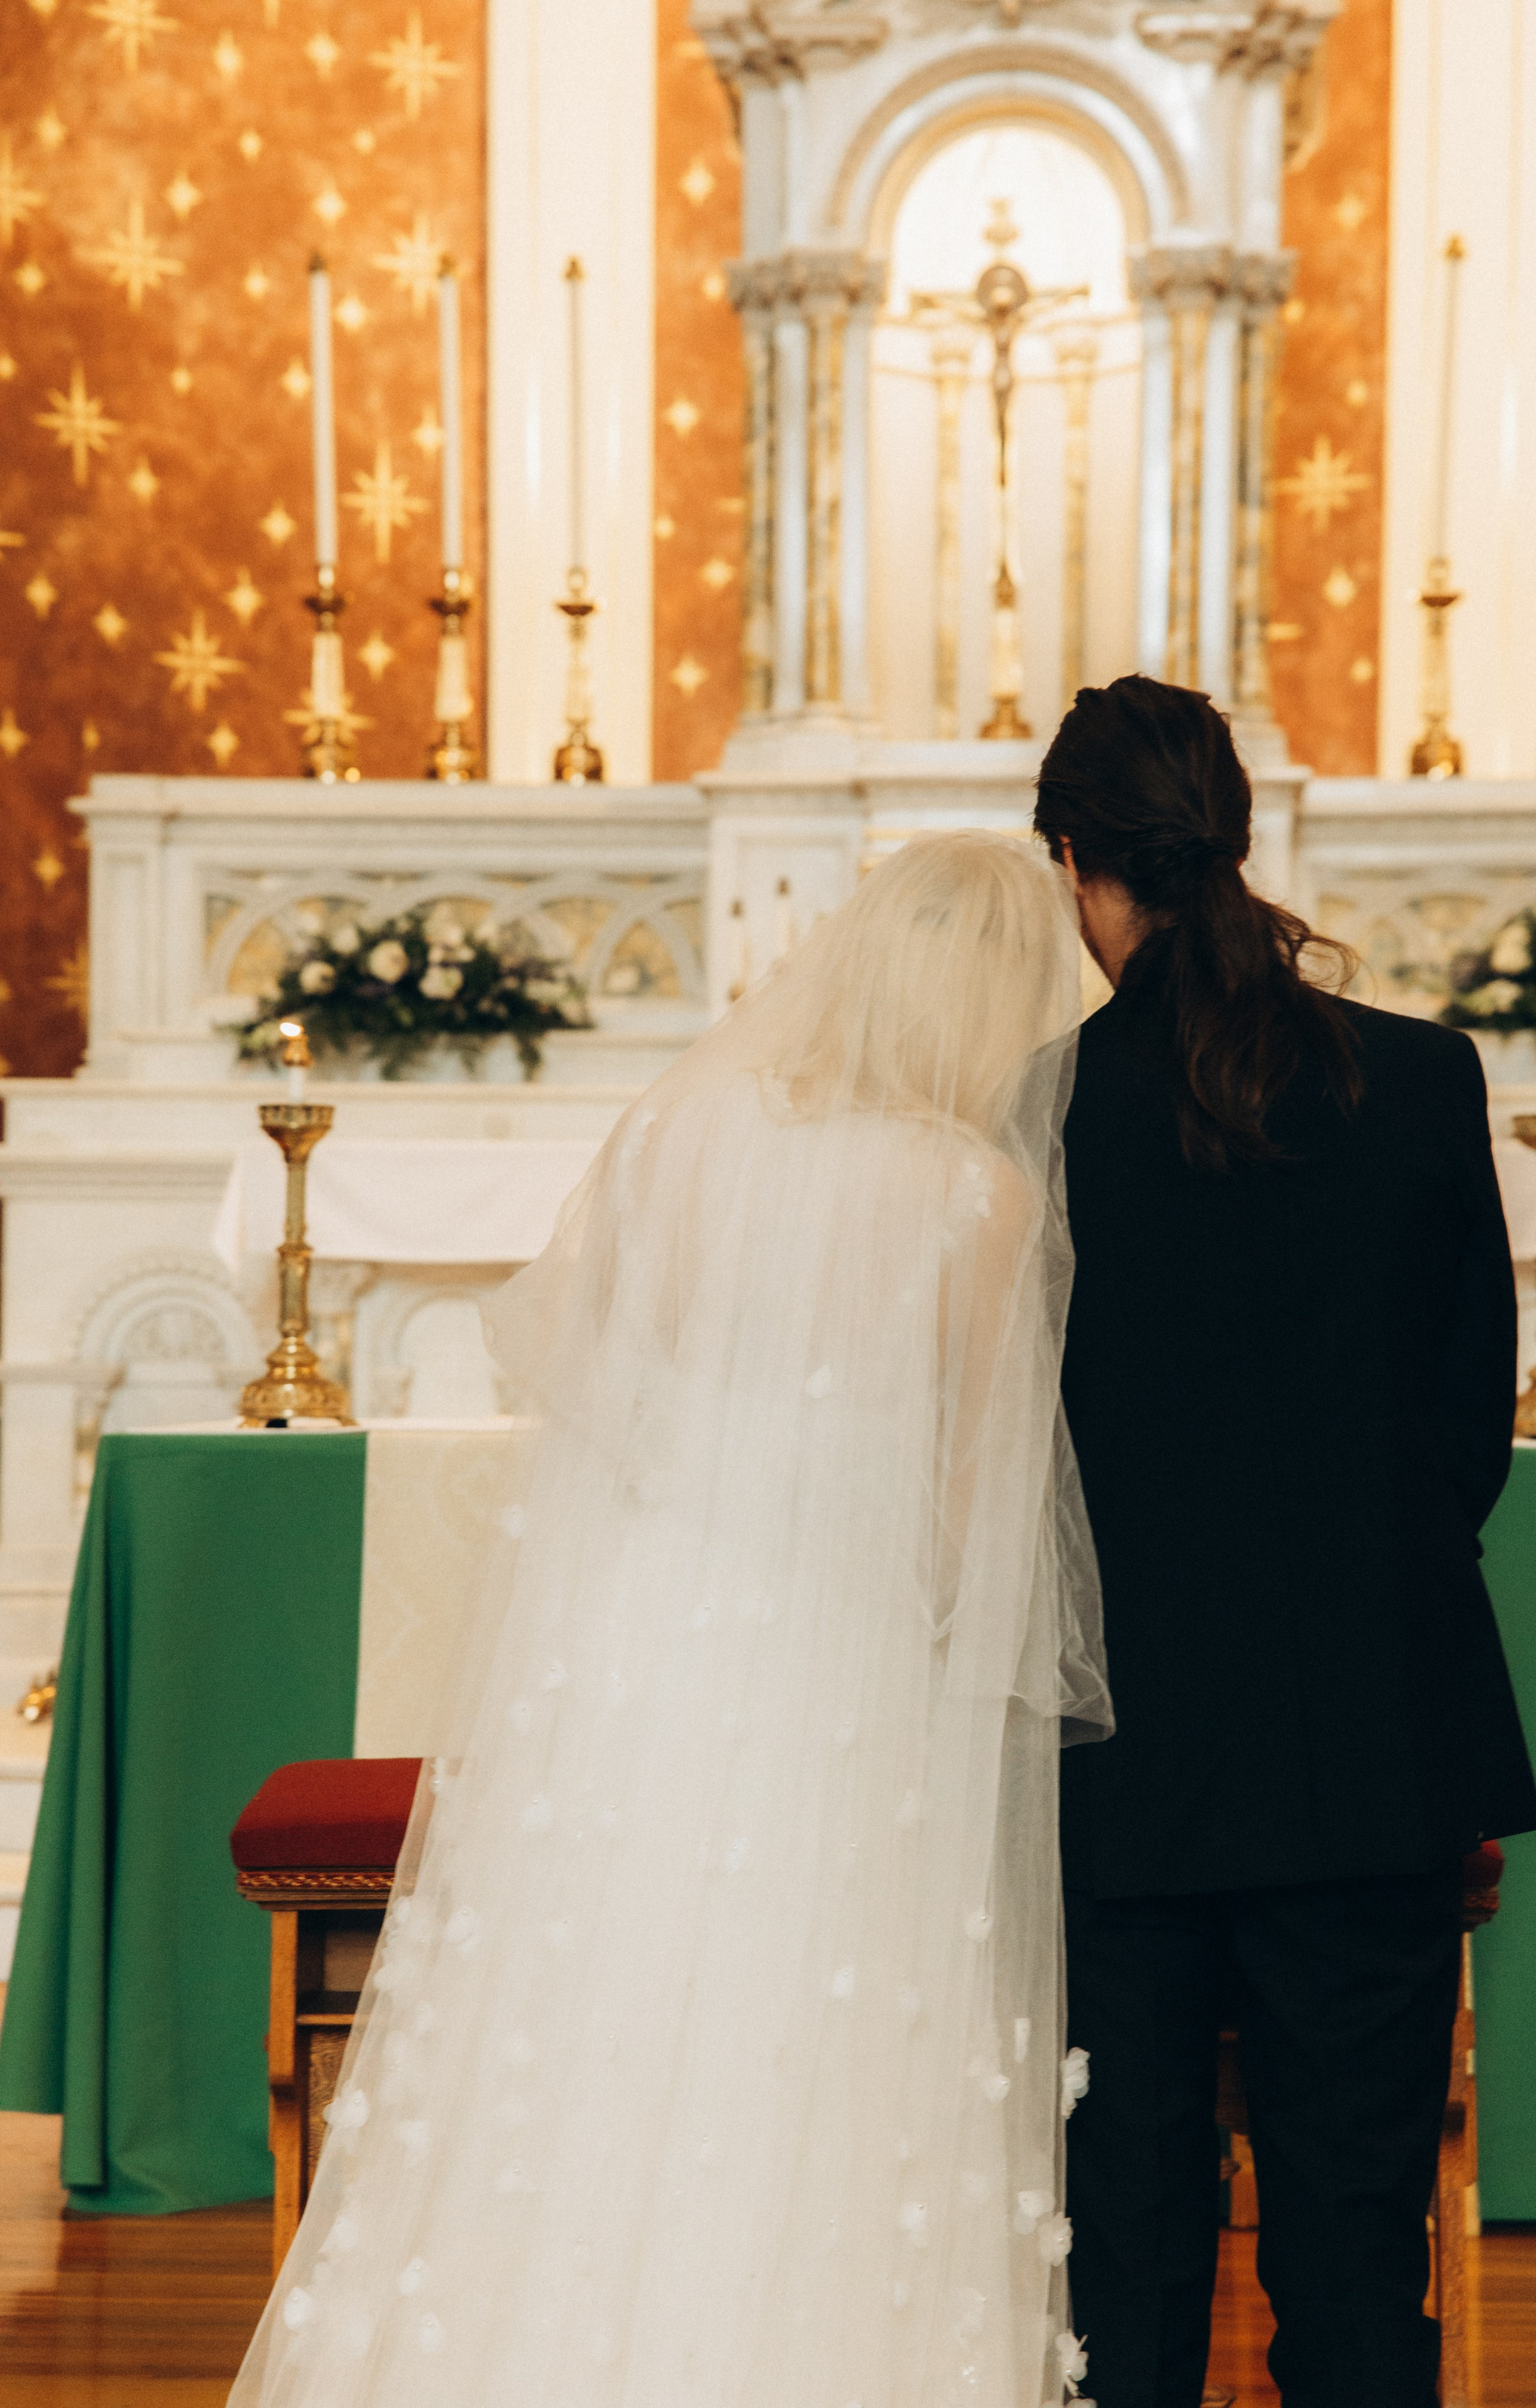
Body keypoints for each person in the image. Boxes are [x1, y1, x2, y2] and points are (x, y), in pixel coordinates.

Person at [229, 832, 1113, 2408]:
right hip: (845, 1667)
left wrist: (704, 1510)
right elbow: (969, 1506)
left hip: (648, 1648)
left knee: (597, 2009)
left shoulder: (684, 1134)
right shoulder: (974, 1197)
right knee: (808, 2024)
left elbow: (575, 1360)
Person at [1035, 676, 1536, 2408]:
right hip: (1370, 1739)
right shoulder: (1420, 1077)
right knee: (1354, 2247)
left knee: (1126, 2247)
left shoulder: (1040, 1109)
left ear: (1078, 860)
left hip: (1118, 1762)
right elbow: (1464, 1433)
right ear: (1236, 836)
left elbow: (1015, 1460)